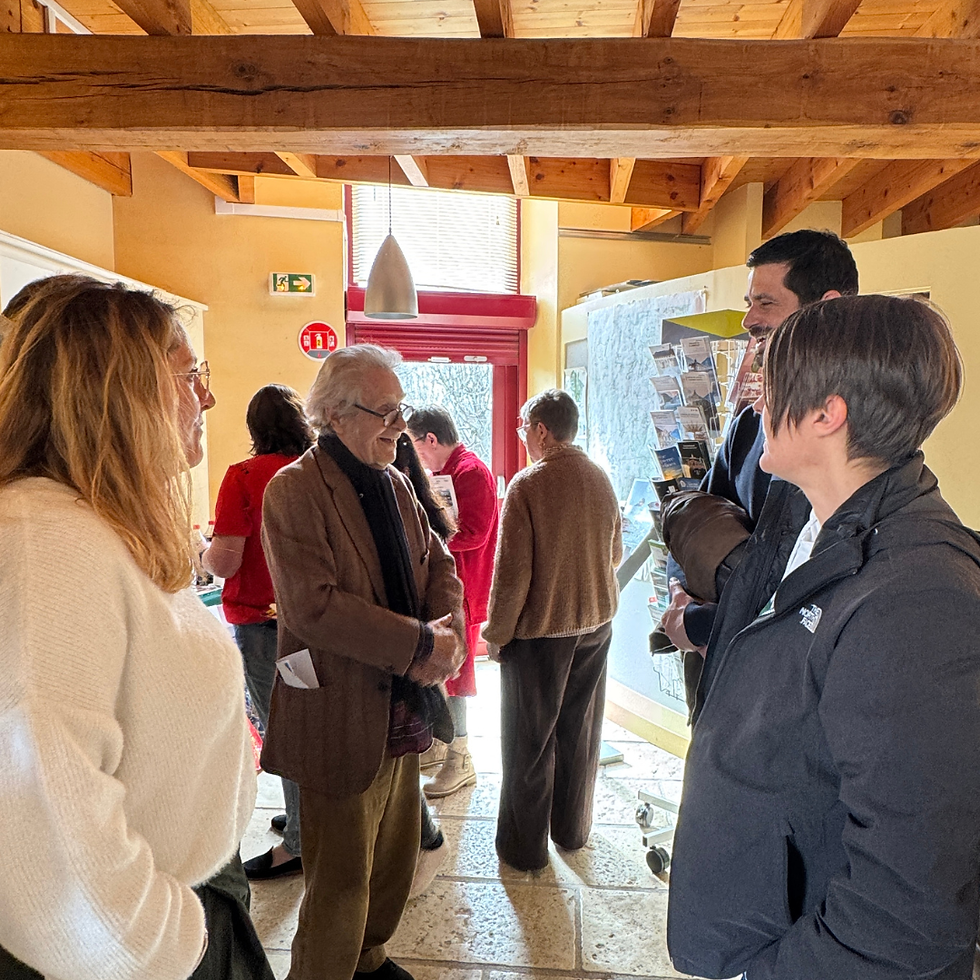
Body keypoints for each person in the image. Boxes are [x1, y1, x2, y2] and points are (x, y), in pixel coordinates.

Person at [667, 295, 980, 979]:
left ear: (826, 415)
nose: (756, 400)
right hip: (764, 921)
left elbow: (911, 904)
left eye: (772, 383)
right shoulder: (807, 519)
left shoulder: (918, 595)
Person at [0, 275, 268, 980]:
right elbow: (38, 819)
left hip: (179, 897)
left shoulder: (89, 521)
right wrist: (173, 943)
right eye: (188, 374)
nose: (206, 397)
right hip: (137, 944)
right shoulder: (43, 542)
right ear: (116, 391)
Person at [259, 344, 466, 980]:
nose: (400, 425)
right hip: (340, 714)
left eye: (401, 409)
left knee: (393, 863)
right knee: (340, 883)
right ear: (336, 414)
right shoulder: (294, 490)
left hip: (402, 708)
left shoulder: (397, 482)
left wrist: (449, 629)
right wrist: (421, 644)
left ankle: (370, 961)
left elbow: (440, 562)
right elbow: (314, 607)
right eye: (386, 412)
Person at [660, 230, 859, 705]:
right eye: (749, 303)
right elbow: (693, 513)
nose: (749, 320)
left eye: (766, 303)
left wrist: (704, 624)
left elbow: (823, 594)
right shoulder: (750, 424)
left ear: (826, 308)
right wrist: (680, 594)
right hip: (721, 687)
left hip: (791, 696)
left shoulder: (864, 439)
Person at [483, 389, 622, 872]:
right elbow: (615, 554)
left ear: (542, 430)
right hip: (598, 623)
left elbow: (512, 574)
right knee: (580, 731)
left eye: (524, 427)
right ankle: (572, 830)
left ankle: (523, 850)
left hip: (542, 632)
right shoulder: (600, 477)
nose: (522, 435)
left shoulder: (529, 485)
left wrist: (497, 634)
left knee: (530, 740)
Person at [203, 384, 316, 881]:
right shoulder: (317, 470)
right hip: (311, 619)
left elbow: (226, 560)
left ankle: (299, 843)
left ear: (254, 429)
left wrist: (201, 554)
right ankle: (304, 816)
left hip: (261, 620)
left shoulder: (244, 477)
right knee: (308, 717)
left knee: (280, 729)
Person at [407, 405, 499, 798]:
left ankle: (461, 757)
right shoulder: (450, 471)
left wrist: (429, 538)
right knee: (443, 671)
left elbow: (475, 533)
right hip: (450, 587)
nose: (419, 458)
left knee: (457, 675)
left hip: (466, 589)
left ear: (430, 439)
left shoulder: (470, 471)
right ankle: (442, 744)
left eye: (417, 448)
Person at [393, 432, 453, 897]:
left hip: (413, 645)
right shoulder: (415, 492)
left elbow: (443, 567)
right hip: (414, 641)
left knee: (402, 758)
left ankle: (428, 839)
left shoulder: (404, 499)